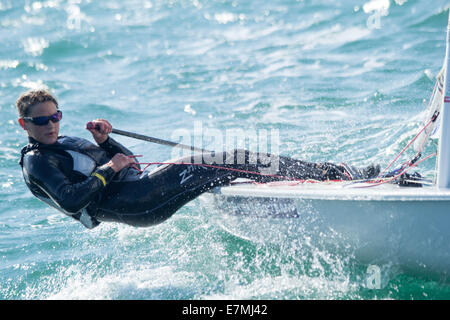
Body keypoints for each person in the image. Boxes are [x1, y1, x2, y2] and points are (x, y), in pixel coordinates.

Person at [17, 89, 380, 229]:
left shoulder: (65, 142)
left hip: (139, 192)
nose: (50, 125)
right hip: (138, 202)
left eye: (55, 116)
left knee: (228, 165)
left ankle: (316, 178)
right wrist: (110, 166)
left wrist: (106, 142)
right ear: (24, 124)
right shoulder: (37, 162)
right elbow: (69, 199)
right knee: (232, 159)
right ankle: (334, 174)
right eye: (41, 121)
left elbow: (131, 163)